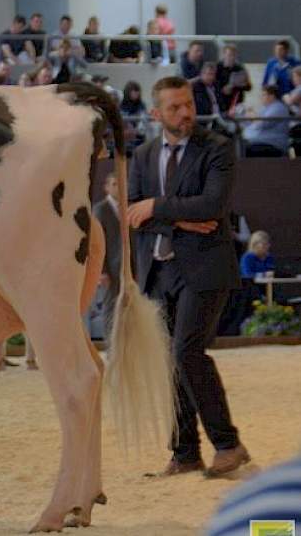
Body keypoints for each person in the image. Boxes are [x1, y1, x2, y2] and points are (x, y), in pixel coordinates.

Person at [125, 76, 250, 479]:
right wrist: (177, 219)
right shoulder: (142, 156)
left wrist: (157, 207)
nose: (185, 113)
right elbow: (132, 215)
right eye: (175, 107)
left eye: (189, 104)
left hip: (206, 270)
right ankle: (185, 453)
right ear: (155, 113)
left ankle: (228, 445)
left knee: (187, 352)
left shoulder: (217, 148)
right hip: (158, 271)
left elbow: (212, 205)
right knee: (167, 363)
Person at [93, 173, 133, 336]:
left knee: (129, 310)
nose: (120, 187)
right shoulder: (100, 209)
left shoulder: (130, 208)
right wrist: (101, 271)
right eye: (115, 184)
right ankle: (112, 351)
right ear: (107, 187)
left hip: (129, 268)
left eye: (123, 183)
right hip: (109, 268)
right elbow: (96, 242)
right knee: (111, 309)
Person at [242, 85, 291, 157]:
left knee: (242, 150)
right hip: (259, 142)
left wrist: (252, 116)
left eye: (263, 95)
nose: (261, 97)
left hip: (272, 144)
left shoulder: (279, 108)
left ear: (272, 96)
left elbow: (263, 123)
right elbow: (252, 125)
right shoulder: (266, 108)